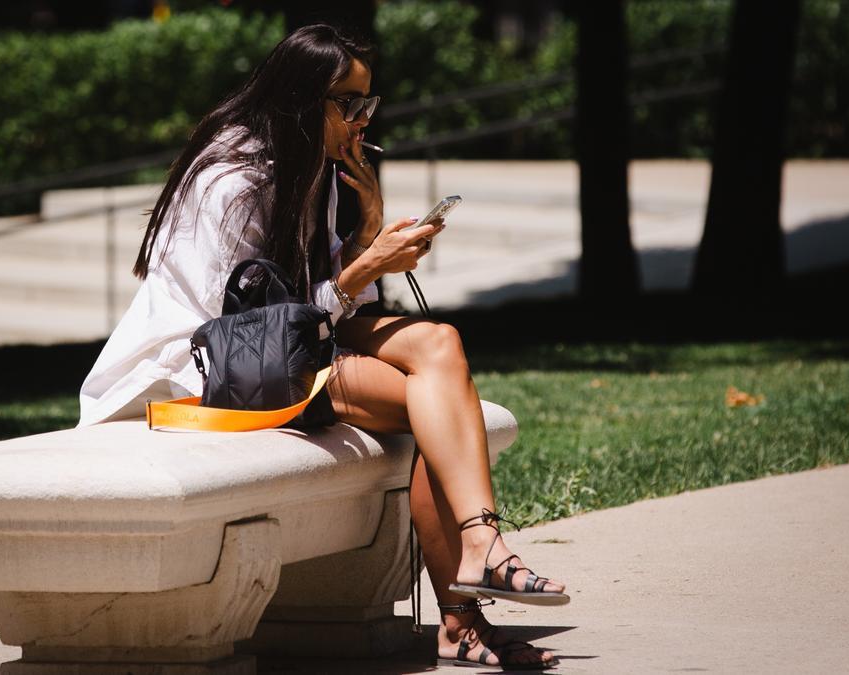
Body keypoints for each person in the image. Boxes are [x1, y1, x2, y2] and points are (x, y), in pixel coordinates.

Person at [78, 23, 566, 670]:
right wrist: (366, 266)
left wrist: (365, 235)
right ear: (302, 101)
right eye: (350, 105)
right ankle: (465, 608)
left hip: (280, 344)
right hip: (208, 366)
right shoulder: (230, 181)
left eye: (369, 105)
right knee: (434, 409)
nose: (362, 120)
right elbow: (255, 327)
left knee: (440, 343)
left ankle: (481, 549)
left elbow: (324, 308)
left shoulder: (312, 164)